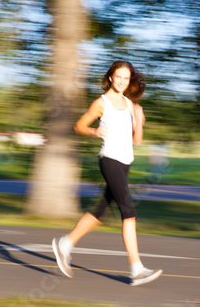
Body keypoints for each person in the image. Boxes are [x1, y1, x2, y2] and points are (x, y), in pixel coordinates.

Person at [52, 60, 162, 286]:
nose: (122, 81)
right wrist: (94, 131)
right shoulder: (101, 103)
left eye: (126, 78)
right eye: (118, 76)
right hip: (109, 160)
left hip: (125, 163)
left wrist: (139, 120)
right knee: (128, 211)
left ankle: (65, 244)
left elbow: (136, 140)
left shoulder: (130, 105)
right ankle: (136, 269)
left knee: (100, 210)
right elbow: (79, 126)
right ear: (111, 77)